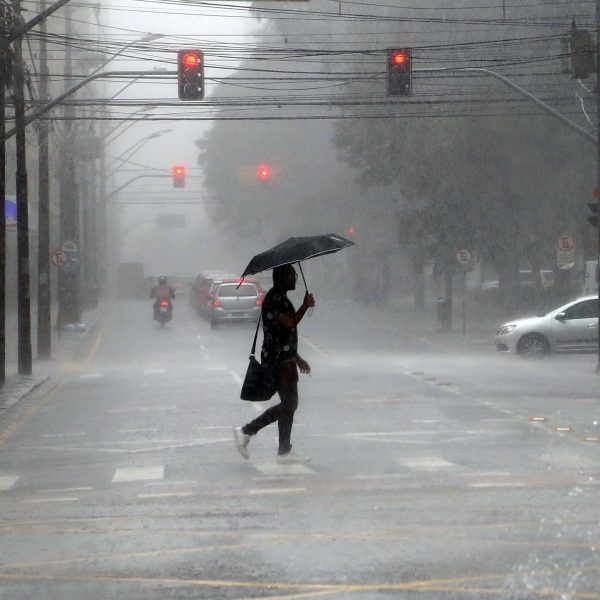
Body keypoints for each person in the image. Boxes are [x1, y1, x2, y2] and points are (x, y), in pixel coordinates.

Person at [234, 264, 315, 464]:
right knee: (290, 404)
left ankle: (284, 451)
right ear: (280, 277)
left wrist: (297, 358)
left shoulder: (279, 297)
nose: (295, 278)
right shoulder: (274, 299)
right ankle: (246, 431)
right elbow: (289, 323)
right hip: (278, 361)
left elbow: (283, 334)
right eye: (291, 275)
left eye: (295, 274)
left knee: (289, 405)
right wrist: (305, 305)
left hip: (284, 359)